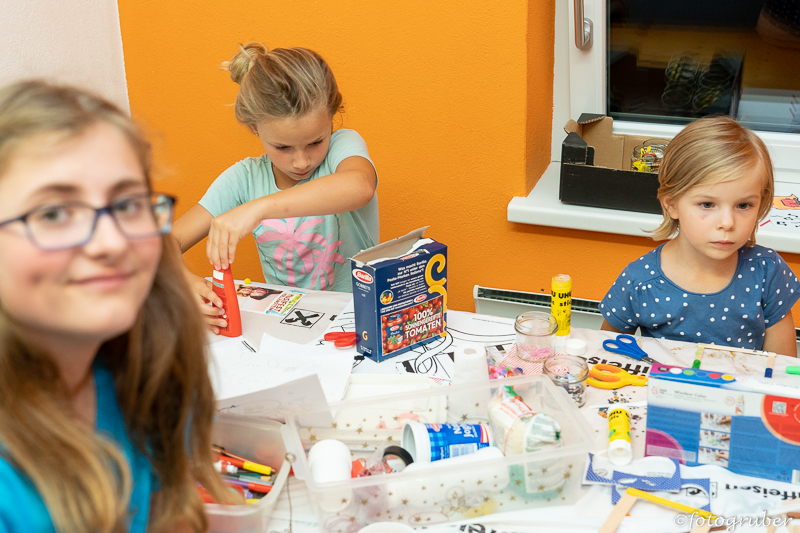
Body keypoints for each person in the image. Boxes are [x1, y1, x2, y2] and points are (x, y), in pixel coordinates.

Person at [0, 81, 229, 532]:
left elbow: (169, 516)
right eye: (53, 213)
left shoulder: (147, 374)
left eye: (127, 205)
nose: (111, 242)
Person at [173, 42, 379, 334]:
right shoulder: (243, 179)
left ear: (332, 117)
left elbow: (360, 186)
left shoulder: (343, 148)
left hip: (357, 322)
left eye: (316, 142)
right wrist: (184, 283)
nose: (301, 161)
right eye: (282, 147)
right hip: (286, 329)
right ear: (254, 128)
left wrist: (258, 209)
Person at [600, 116, 800, 356]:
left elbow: (783, 368)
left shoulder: (767, 271)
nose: (727, 223)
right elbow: (606, 354)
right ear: (672, 205)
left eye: (743, 205)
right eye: (707, 204)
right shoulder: (639, 281)